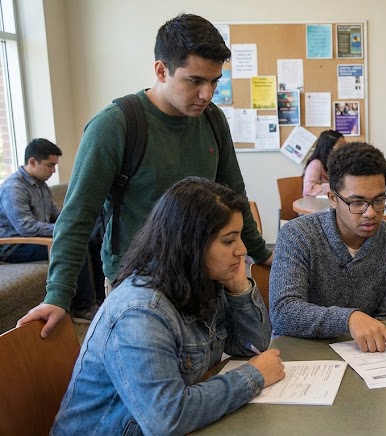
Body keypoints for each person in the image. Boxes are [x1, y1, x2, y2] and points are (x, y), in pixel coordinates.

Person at [18, 13, 272, 338]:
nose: (207, 94)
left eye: (215, 81)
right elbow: (77, 217)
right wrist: (58, 297)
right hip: (138, 288)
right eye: (195, 81)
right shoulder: (114, 126)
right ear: (161, 70)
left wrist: (261, 253)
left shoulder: (212, 120)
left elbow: (233, 194)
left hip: (203, 280)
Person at [51, 177, 285, 435]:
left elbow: (252, 346)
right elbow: (167, 418)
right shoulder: (140, 313)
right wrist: (253, 376)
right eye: (229, 241)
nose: (242, 250)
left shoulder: (202, 281)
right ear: (189, 245)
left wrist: (239, 287)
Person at [270, 142, 386, 355]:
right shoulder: (298, 234)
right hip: (302, 355)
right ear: (333, 198)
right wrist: (349, 319)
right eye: (357, 202)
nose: (370, 213)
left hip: (365, 356)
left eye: (379, 200)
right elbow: (283, 313)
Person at [0, 139, 100, 322]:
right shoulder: (13, 187)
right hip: (14, 246)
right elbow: (26, 227)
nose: (54, 170)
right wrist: (65, 231)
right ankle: (82, 309)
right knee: (74, 246)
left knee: (92, 237)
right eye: (50, 165)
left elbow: (57, 214)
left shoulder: (41, 185)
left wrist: (74, 224)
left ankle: (100, 299)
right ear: (32, 162)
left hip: (35, 239)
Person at [302, 129, 346, 196]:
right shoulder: (315, 164)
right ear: (328, 149)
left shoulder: (338, 163)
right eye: (340, 147)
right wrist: (335, 188)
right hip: (317, 204)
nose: (344, 150)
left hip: (332, 202)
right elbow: (308, 190)